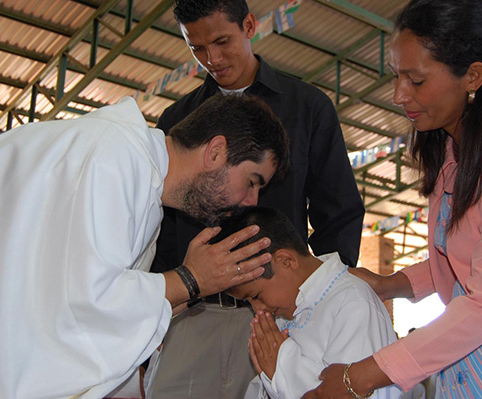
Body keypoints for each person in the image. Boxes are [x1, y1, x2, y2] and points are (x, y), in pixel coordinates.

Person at [0, 93, 289, 399]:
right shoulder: (112, 158)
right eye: (251, 181)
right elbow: (80, 302)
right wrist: (190, 279)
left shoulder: (140, 184)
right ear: (216, 152)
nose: (250, 200)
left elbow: (95, 309)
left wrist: (185, 290)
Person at [303, 0, 482, 398]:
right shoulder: (452, 148)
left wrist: (361, 376)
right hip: (472, 352)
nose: (400, 95)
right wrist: (389, 285)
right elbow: (459, 260)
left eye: (416, 81)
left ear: (472, 77)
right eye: (397, 76)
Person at [147, 1, 365, 397]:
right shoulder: (176, 121)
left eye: (221, 41)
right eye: (197, 49)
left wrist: (323, 297)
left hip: (281, 318)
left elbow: (339, 212)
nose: (212, 59)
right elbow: (160, 226)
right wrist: (159, 310)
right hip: (193, 315)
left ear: (249, 25)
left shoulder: (308, 108)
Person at [213, 206, 402, 399]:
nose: (259, 310)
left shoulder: (352, 303)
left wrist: (282, 366)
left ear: (286, 261)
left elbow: (346, 392)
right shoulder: (286, 308)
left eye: (256, 296)